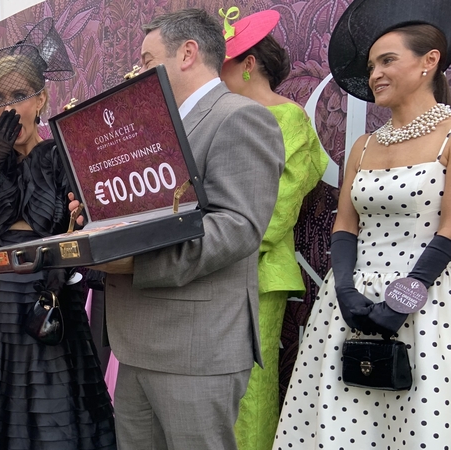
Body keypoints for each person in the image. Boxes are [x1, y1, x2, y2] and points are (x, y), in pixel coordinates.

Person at [72, 8, 285, 450]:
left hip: (196, 345)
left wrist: (136, 261)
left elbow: (239, 226)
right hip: (136, 341)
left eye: (148, 61)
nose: (139, 73)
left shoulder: (239, 117)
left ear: (187, 53)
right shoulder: (148, 129)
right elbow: (140, 215)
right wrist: (95, 217)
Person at [0, 18, 116, 450]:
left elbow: (81, 231)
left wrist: (78, 217)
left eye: (19, 95)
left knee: (50, 407)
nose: (8, 107)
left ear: (41, 98)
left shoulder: (64, 153)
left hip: (45, 295)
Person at [274, 0, 451, 447]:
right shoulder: (364, 145)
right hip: (350, 303)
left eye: (388, 60)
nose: (375, 74)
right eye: (372, 65)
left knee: (418, 425)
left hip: (431, 302)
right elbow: (345, 226)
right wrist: (346, 291)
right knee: (342, 424)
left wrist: (404, 299)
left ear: (430, 61)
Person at [216, 9, 329, 450]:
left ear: (247, 64)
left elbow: (277, 210)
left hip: (257, 272)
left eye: (223, 62)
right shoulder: (222, 119)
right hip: (211, 267)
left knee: (249, 392)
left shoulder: (290, 119)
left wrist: (215, 241)